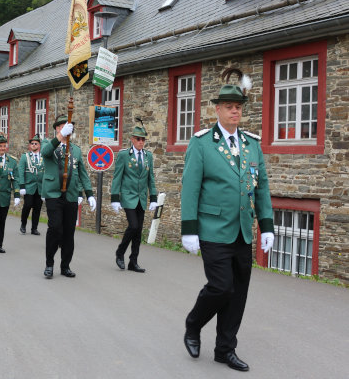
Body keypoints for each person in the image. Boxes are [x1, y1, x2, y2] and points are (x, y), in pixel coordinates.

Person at [180, 84, 275, 372]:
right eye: (229, 106)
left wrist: (267, 225)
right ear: (217, 109)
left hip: (242, 231)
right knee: (221, 287)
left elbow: (262, 188)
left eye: (239, 106)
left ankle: (225, 349)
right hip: (212, 229)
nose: (235, 110)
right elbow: (190, 187)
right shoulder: (202, 143)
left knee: (238, 293)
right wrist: (189, 228)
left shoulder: (251, 144)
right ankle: (193, 324)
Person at [40, 115, 96, 279]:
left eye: (69, 126)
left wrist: (89, 194)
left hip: (71, 195)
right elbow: (45, 152)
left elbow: (83, 174)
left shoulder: (76, 149)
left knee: (68, 233)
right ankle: (49, 264)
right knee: (55, 228)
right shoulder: (48, 143)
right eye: (63, 126)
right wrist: (59, 136)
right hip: (53, 193)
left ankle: (65, 266)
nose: (67, 128)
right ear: (57, 128)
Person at [110, 123, 158, 273]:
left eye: (143, 139)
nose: (141, 142)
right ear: (132, 139)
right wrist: (114, 198)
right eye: (138, 139)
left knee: (138, 232)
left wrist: (154, 198)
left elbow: (151, 178)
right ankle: (120, 252)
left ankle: (133, 261)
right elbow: (117, 176)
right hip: (129, 196)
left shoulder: (148, 156)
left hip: (141, 198)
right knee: (133, 226)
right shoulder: (125, 155)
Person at [18, 134, 44, 235]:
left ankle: (34, 228)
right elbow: (21, 171)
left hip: (40, 187)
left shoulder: (43, 157)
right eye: (32, 143)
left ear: (39, 145)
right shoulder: (25, 157)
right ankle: (23, 224)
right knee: (27, 205)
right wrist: (22, 186)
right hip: (29, 186)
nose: (33, 145)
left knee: (37, 208)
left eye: (35, 143)